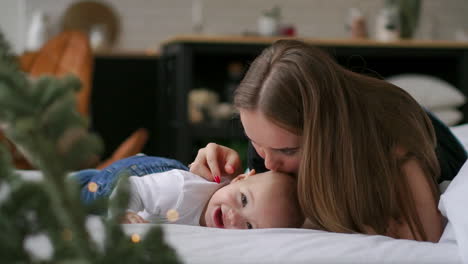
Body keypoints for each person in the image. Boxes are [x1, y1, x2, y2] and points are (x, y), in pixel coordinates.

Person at [188, 40, 467, 242]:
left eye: (287, 149)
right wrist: (211, 184)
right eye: (256, 141)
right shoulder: (272, 142)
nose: (268, 162)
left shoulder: (391, 137)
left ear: (325, 136)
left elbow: (423, 238)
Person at [71, 155, 304, 229]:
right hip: (131, 177)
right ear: (239, 178)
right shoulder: (180, 192)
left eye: (249, 226)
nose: (234, 217)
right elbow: (130, 187)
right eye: (243, 200)